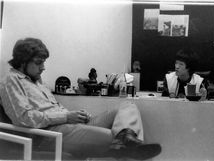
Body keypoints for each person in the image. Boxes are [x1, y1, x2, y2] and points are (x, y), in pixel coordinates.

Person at [0, 38, 161, 160]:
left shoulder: (37, 80)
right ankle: (124, 143)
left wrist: (75, 115)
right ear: (22, 61)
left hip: (69, 124)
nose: (43, 67)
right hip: (48, 134)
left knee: (127, 106)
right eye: (38, 63)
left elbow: (53, 109)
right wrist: (66, 116)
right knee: (113, 137)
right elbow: (23, 118)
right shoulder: (11, 80)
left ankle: (126, 140)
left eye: (43, 63)